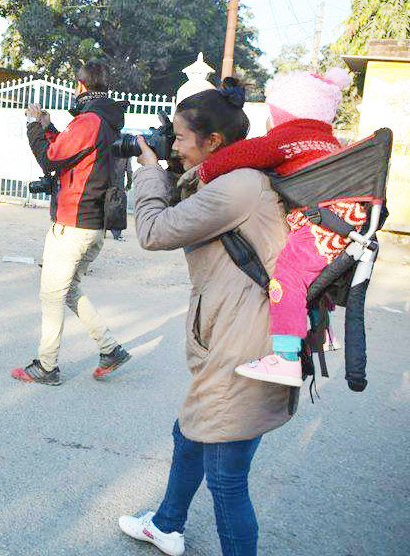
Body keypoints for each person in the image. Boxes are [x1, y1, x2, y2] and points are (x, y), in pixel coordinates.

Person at [119, 79, 292, 556]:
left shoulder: (237, 187)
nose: (171, 145)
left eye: (179, 137)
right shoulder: (235, 178)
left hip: (245, 344)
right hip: (235, 330)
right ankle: (167, 523)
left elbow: (154, 231)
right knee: (190, 431)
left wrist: (150, 172)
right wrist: (175, 167)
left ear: (214, 141)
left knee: (227, 477)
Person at [182, 69, 359, 388]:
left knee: (288, 277)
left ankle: (287, 357)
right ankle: (322, 334)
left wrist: (205, 171)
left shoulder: (289, 136)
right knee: (312, 278)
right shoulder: (328, 140)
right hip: (344, 223)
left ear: (283, 113)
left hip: (324, 223)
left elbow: (245, 153)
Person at [11, 60, 131, 386]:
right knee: (68, 291)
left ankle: (46, 367)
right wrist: (50, 128)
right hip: (93, 224)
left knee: (51, 296)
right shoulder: (106, 120)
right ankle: (110, 349)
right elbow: (68, 154)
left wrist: (35, 124)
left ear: (80, 86)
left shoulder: (89, 121)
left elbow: (50, 158)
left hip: (73, 223)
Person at [108, 156, 132, 240]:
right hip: (119, 185)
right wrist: (129, 184)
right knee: (119, 209)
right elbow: (129, 171)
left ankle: (102, 231)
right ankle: (117, 234)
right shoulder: (126, 155)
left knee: (104, 205)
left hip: (106, 184)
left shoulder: (108, 150)